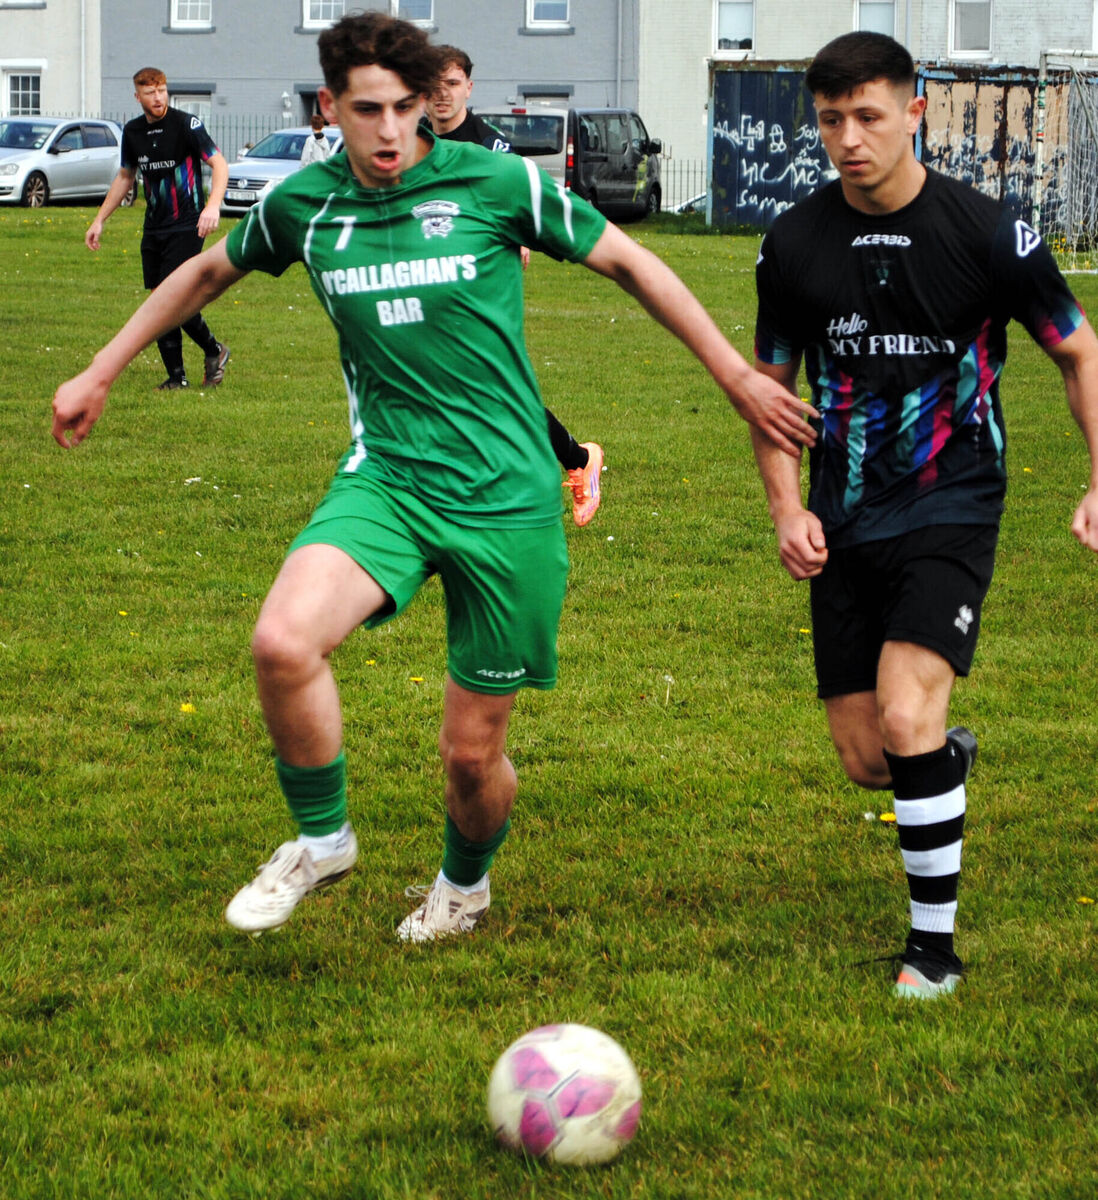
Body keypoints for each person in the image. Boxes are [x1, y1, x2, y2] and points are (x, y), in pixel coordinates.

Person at [52, 11, 813, 944]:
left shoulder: (494, 181)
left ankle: (464, 887)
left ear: (426, 105)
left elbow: (627, 260)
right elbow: (205, 275)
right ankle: (323, 840)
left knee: (469, 758)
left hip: (507, 498)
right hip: (390, 482)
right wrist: (100, 368)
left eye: (404, 109)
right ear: (329, 107)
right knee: (283, 644)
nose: (386, 131)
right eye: (365, 109)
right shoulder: (307, 204)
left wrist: (736, 375)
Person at [750, 32, 1098, 998]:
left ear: (916, 111)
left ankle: (933, 955)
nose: (849, 139)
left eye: (868, 116)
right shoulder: (793, 245)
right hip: (843, 511)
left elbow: (1080, 352)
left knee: (905, 714)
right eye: (830, 121)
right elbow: (770, 397)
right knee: (873, 758)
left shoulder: (992, 233)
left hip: (954, 500)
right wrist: (785, 507)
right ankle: (944, 758)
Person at [425, 44, 604, 527]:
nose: (442, 95)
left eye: (452, 83)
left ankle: (573, 460)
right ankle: (571, 461)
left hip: (482, 281)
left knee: (486, 383)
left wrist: (518, 234)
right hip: (427, 280)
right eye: (434, 85)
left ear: (469, 87)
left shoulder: (491, 144)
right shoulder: (413, 140)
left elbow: (524, 197)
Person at [85, 68, 230, 392]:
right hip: (154, 227)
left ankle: (203, 357)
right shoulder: (133, 132)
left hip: (188, 223)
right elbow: (125, 176)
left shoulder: (186, 124)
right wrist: (99, 220)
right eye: (150, 93)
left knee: (169, 296)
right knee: (160, 299)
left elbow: (219, 163)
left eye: (162, 90)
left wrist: (213, 205)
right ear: (138, 97)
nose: (158, 97)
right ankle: (189, 367)